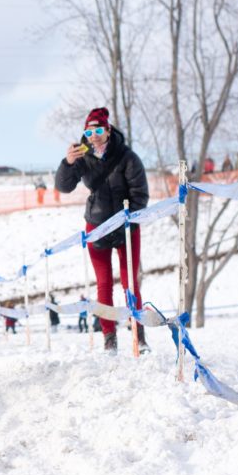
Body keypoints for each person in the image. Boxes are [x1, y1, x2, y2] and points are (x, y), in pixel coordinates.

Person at [55, 107, 149, 354]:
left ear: (108, 131)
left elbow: (141, 194)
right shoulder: (83, 157)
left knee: (130, 282)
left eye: (98, 130)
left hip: (127, 227)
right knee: (104, 284)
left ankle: (138, 333)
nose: (93, 135)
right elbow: (63, 187)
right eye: (89, 131)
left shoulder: (128, 157)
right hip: (96, 226)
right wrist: (68, 163)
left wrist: (127, 220)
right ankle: (109, 337)